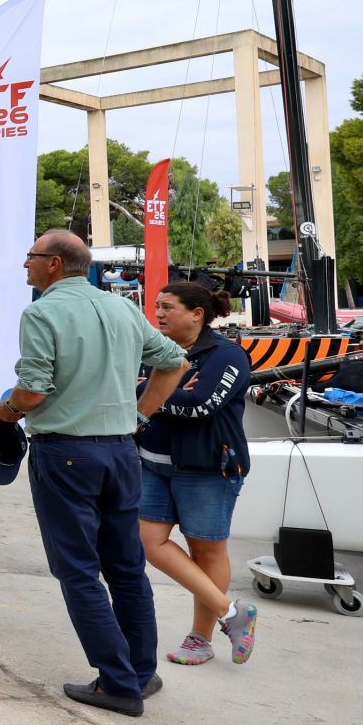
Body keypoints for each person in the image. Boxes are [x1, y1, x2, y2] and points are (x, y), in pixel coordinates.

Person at [0, 229, 188, 716]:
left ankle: (117, 683)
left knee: (79, 570)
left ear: (55, 264)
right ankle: (141, 674)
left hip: (66, 455)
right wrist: (140, 416)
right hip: (122, 452)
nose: (25, 266)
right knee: (126, 568)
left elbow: (34, 390)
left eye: (31, 257)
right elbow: (174, 362)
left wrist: (5, 413)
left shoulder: (41, 312)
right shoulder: (122, 307)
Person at [139, 282, 257, 668]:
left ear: (197, 313)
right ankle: (230, 611)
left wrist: (152, 393)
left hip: (207, 467)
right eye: (156, 306)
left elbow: (200, 405)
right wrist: (162, 389)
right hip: (152, 463)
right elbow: (132, 390)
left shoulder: (227, 355)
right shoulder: (154, 350)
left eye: (168, 307)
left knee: (206, 551)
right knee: (148, 542)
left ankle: (200, 638)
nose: (158, 313)